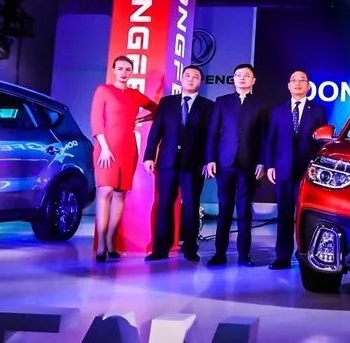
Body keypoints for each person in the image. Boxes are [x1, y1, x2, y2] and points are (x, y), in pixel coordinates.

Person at [143, 66, 215, 262]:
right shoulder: (167, 103)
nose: (190, 79)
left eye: (195, 77)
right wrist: (149, 156)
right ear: (181, 79)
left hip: (194, 164)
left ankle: (190, 248)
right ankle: (160, 249)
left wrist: (209, 160)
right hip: (167, 162)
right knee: (164, 204)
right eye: (187, 76)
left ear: (200, 81)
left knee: (191, 206)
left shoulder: (208, 106)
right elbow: (156, 131)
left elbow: (211, 137)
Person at [89, 55, 157, 262]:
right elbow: (96, 120)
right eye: (120, 68)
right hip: (105, 148)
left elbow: (157, 109)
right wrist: (104, 147)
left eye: (127, 69)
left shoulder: (135, 94)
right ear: (113, 70)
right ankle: (101, 243)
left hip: (128, 149)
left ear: (131, 72)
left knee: (120, 195)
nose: (124, 72)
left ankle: (111, 241)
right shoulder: (103, 90)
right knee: (105, 191)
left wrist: (142, 119)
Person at [204, 63, 270, 267]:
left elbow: (265, 137)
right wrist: (210, 159)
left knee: (244, 212)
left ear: (253, 80)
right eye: (238, 75)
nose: (242, 78)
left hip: (248, 164)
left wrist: (262, 162)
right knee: (224, 210)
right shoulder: (222, 102)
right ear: (233, 79)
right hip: (225, 163)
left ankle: (244, 255)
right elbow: (212, 133)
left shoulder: (260, 104)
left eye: (246, 75)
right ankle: (219, 254)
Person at [265, 69, 328, 270]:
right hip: (283, 169)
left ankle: (307, 257)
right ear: (288, 85)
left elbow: (322, 142)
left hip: (307, 172)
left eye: (302, 80)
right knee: (284, 215)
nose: (298, 83)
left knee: (306, 216)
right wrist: (270, 165)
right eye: (294, 80)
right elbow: (270, 139)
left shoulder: (318, 111)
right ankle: (282, 257)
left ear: (308, 86)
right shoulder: (278, 110)